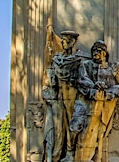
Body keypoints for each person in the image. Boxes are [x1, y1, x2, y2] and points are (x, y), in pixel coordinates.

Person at [75, 40, 119, 162]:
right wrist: (94, 86)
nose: (95, 53)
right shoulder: (86, 65)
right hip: (88, 106)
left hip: (106, 106)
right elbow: (82, 80)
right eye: (94, 50)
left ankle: (97, 158)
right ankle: (82, 158)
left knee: (102, 134)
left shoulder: (113, 67)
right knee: (85, 133)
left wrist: (109, 93)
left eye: (98, 51)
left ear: (105, 53)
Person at [43, 28, 85, 162]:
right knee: (60, 126)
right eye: (63, 41)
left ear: (73, 43)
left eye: (67, 41)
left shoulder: (79, 60)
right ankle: (59, 153)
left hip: (74, 96)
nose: (64, 44)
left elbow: (83, 79)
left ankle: (71, 152)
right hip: (60, 97)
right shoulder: (57, 60)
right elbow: (51, 80)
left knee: (71, 125)